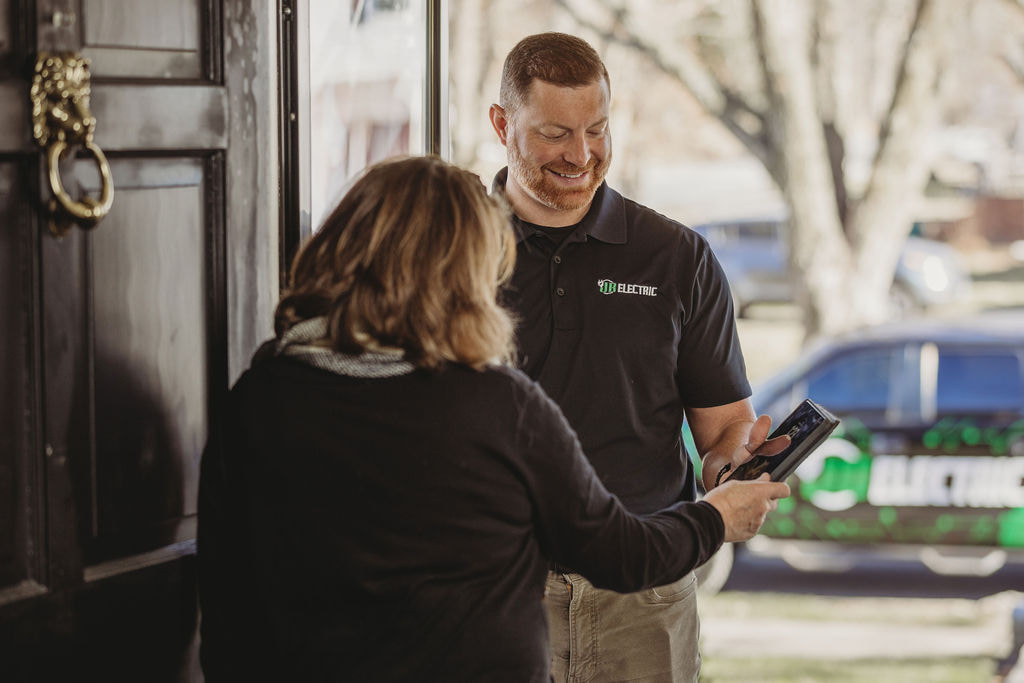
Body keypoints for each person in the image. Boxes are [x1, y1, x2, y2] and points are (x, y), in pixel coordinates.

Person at [196, 155, 789, 682]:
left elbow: (224, 591)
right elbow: (618, 552)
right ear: (458, 276)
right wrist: (716, 518)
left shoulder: (260, 396)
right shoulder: (494, 403)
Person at [489, 32, 783, 682]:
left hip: (646, 597)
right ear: (502, 125)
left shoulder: (677, 257)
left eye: (597, 130)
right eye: (555, 134)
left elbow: (723, 428)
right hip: (497, 591)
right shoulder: (455, 252)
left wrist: (733, 463)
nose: (581, 155)